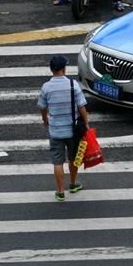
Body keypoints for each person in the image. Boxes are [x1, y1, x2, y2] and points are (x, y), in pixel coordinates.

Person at [38, 54, 89, 201]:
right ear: (64, 69)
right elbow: (81, 106)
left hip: (55, 131)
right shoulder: (73, 85)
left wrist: (45, 119)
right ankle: (72, 184)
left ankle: (60, 191)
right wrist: (86, 123)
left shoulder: (46, 87)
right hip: (73, 130)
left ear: (51, 70)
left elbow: (42, 107)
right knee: (73, 158)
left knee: (58, 162)